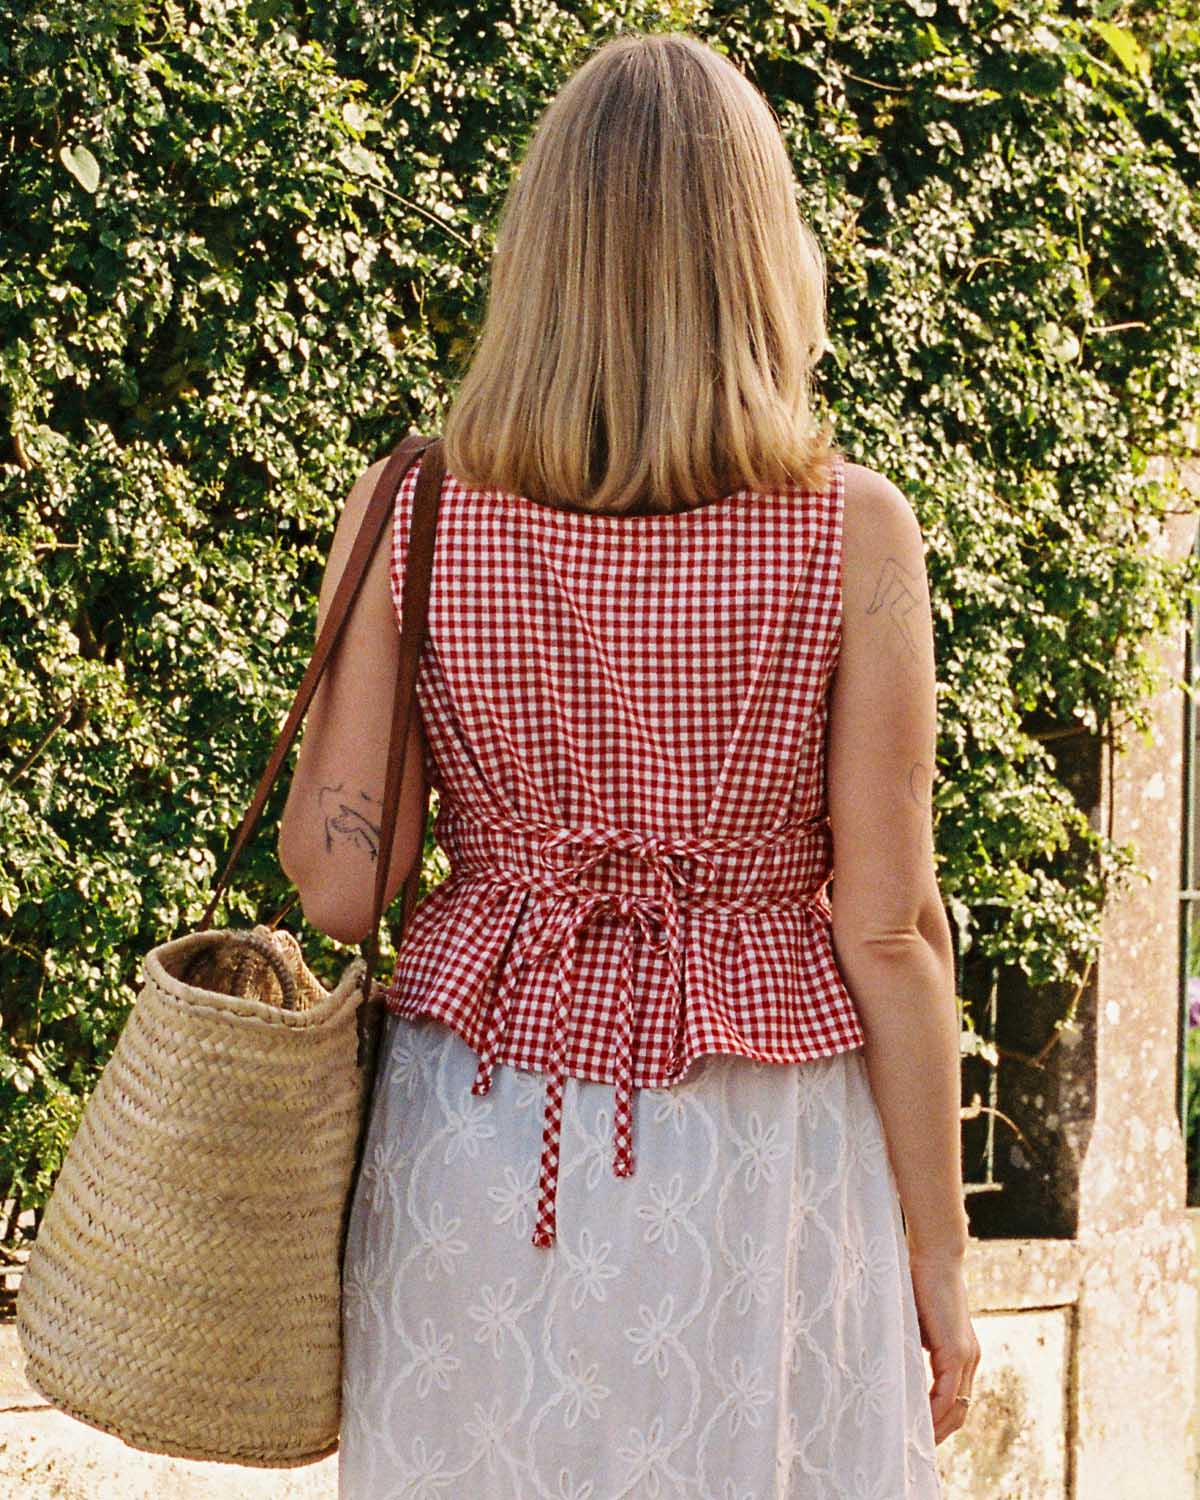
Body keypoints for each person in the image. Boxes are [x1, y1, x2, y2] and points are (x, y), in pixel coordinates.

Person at [278, 27, 981, 1499]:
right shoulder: (852, 534)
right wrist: (939, 1265)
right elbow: (891, 930)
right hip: (759, 1152)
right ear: (762, 256)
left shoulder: (416, 511)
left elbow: (343, 887)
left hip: (475, 1128)